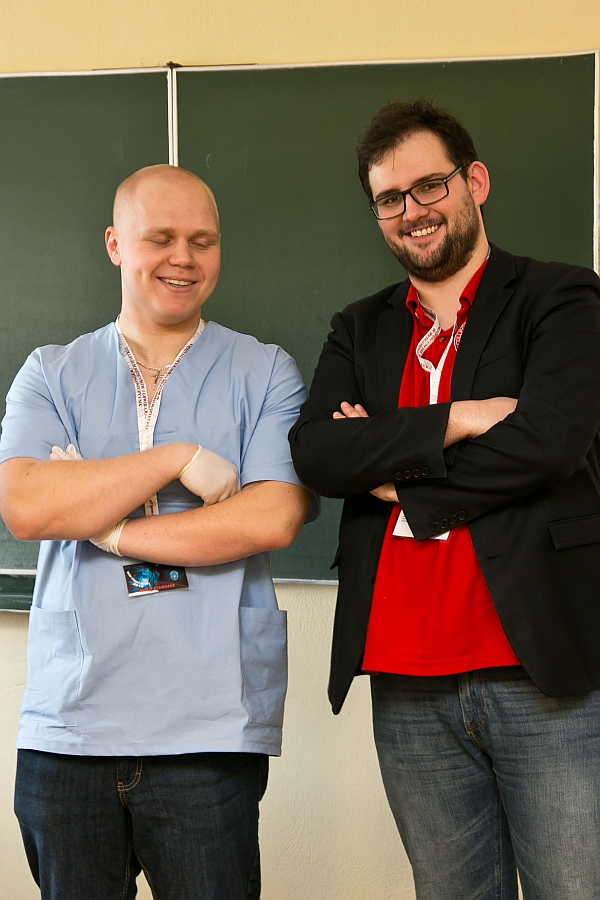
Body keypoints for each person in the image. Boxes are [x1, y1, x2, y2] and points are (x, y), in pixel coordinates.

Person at [289, 100, 600, 899]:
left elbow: (551, 442)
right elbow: (318, 452)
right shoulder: (359, 329)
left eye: (429, 186)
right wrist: (458, 419)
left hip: (543, 671)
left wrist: (394, 473)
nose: (413, 211)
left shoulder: (560, 298)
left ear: (475, 182)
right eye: (390, 198)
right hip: (405, 681)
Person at [0, 164, 313, 900]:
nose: (184, 258)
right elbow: (26, 506)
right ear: (115, 244)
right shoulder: (51, 372)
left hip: (207, 729)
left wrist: (106, 528)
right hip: (71, 727)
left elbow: (272, 516)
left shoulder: (265, 371)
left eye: (203, 240)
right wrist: (176, 459)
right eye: (161, 238)